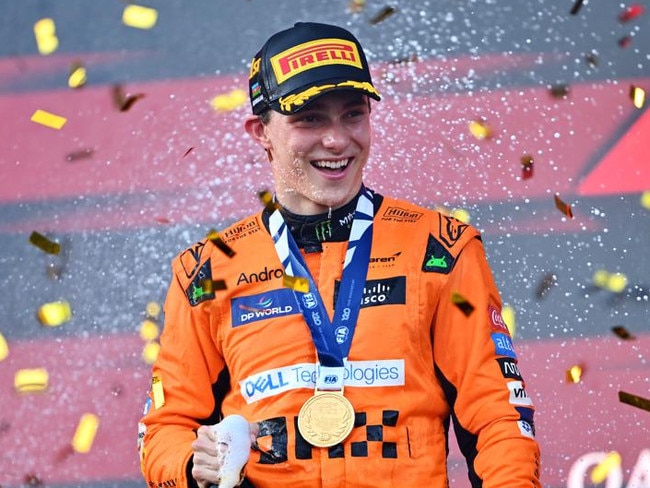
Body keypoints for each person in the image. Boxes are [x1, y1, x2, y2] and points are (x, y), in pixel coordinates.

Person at [138, 21, 541, 488]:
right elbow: (163, 429)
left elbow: (498, 416)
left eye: (352, 114)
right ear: (260, 131)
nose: (336, 140)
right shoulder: (208, 269)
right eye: (309, 118)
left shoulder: (439, 247)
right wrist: (192, 466)